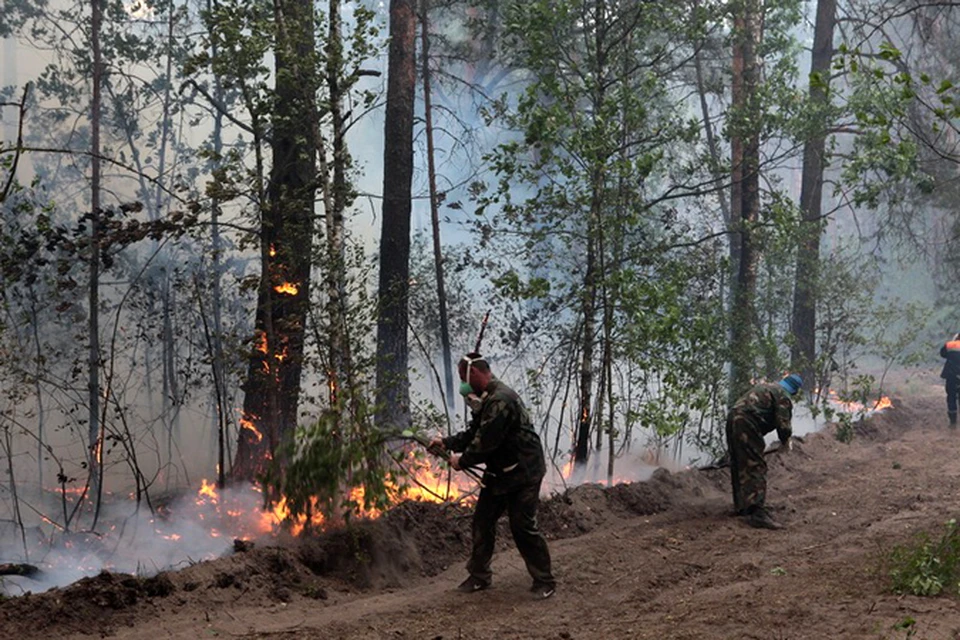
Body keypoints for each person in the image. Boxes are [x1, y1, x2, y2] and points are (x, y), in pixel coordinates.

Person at [429, 352, 556, 599]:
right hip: (499, 473)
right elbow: (473, 433)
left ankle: (545, 581)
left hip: (523, 472)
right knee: (482, 522)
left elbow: (485, 443)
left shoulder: (501, 401)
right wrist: (446, 443)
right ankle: (479, 576)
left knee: (522, 527)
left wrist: (461, 461)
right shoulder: (487, 400)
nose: (462, 385)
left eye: (462, 378)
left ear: (474, 373)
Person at [725, 373, 802, 530]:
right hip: (747, 422)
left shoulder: (768, 386)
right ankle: (756, 512)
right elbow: (783, 425)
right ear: (795, 391)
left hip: (733, 417)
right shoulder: (783, 396)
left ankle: (742, 507)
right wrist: (786, 441)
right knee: (756, 465)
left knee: (739, 463)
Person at [940, 333, 960, 427]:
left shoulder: (949, 345)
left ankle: (953, 422)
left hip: (951, 375)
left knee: (951, 397)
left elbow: (943, 354)